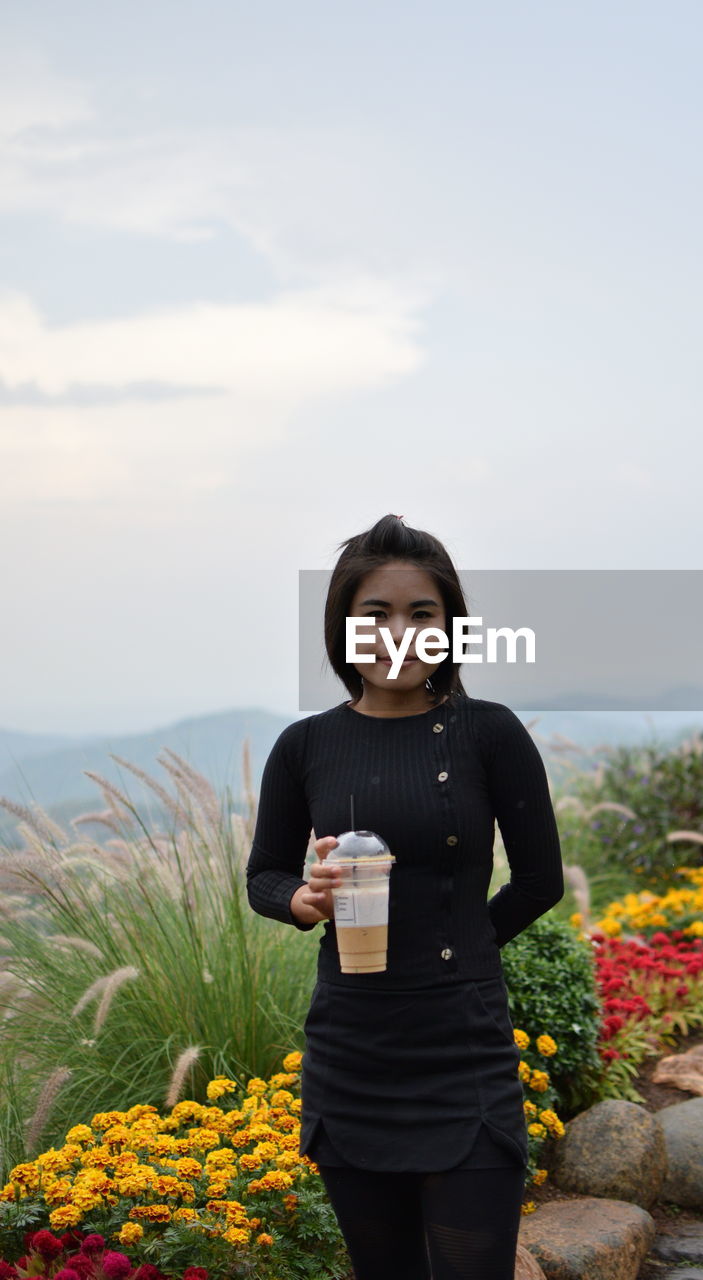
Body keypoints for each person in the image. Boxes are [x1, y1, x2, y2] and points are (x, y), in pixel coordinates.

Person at [246, 514, 564, 1280]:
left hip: (461, 1047)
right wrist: (304, 899)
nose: (399, 634)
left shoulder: (488, 734)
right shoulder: (306, 746)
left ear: (450, 627)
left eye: (422, 613)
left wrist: (460, 949)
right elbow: (264, 876)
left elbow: (538, 880)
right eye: (375, 614)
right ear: (344, 628)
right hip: (351, 1051)